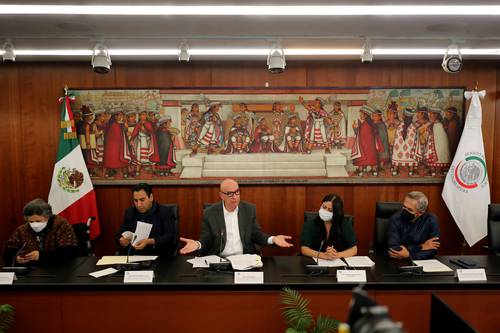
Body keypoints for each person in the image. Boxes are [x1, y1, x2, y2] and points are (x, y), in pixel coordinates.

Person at [179, 178, 293, 256]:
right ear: (221, 195)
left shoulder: (249, 209)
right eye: (230, 194)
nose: (235, 197)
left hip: (244, 259)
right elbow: (206, 239)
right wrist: (197, 244)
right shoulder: (210, 213)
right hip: (220, 259)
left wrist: (273, 239)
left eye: (237, 192)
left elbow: (256, 234)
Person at [3, 198, 78, 265]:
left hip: (59, 269)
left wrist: (41, 256)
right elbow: (8, 251)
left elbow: (70, 251)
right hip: (31, 272)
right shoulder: (23, 229)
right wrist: (16, 259)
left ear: (48, 217)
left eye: (38, 221)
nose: (34, 224)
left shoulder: (60, 224)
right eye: (31, 222)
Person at [116, 183, 178, 256]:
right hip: (134, 255)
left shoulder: (165, 212)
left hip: (159, 256)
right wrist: (122, 240)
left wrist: (149, 241)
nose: (138, 204)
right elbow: (119, 234)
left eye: (142, 200)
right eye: (135, 200)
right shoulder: (130, 212)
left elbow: (170, 236)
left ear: (151, 197)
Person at [300, 194, 357, 260]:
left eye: (330, 210)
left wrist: (336, 255)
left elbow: (354, 249)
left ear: (336, 212)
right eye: (324, 207)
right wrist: (323, 255)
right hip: (314, 262)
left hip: (337, 263)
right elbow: (304, 249)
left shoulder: (344, 224)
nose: (325, 211)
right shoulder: (310, 224)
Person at [387, 191, 440, 260]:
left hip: (423, 262)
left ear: (420, 213)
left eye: (409, 210)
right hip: (397, 261)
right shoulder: (395, 218)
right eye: (404, 207)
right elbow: (394, 248)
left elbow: (433, 250)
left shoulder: (431, 220)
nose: (405, 211)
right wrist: (421, 246)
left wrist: (409, 255)